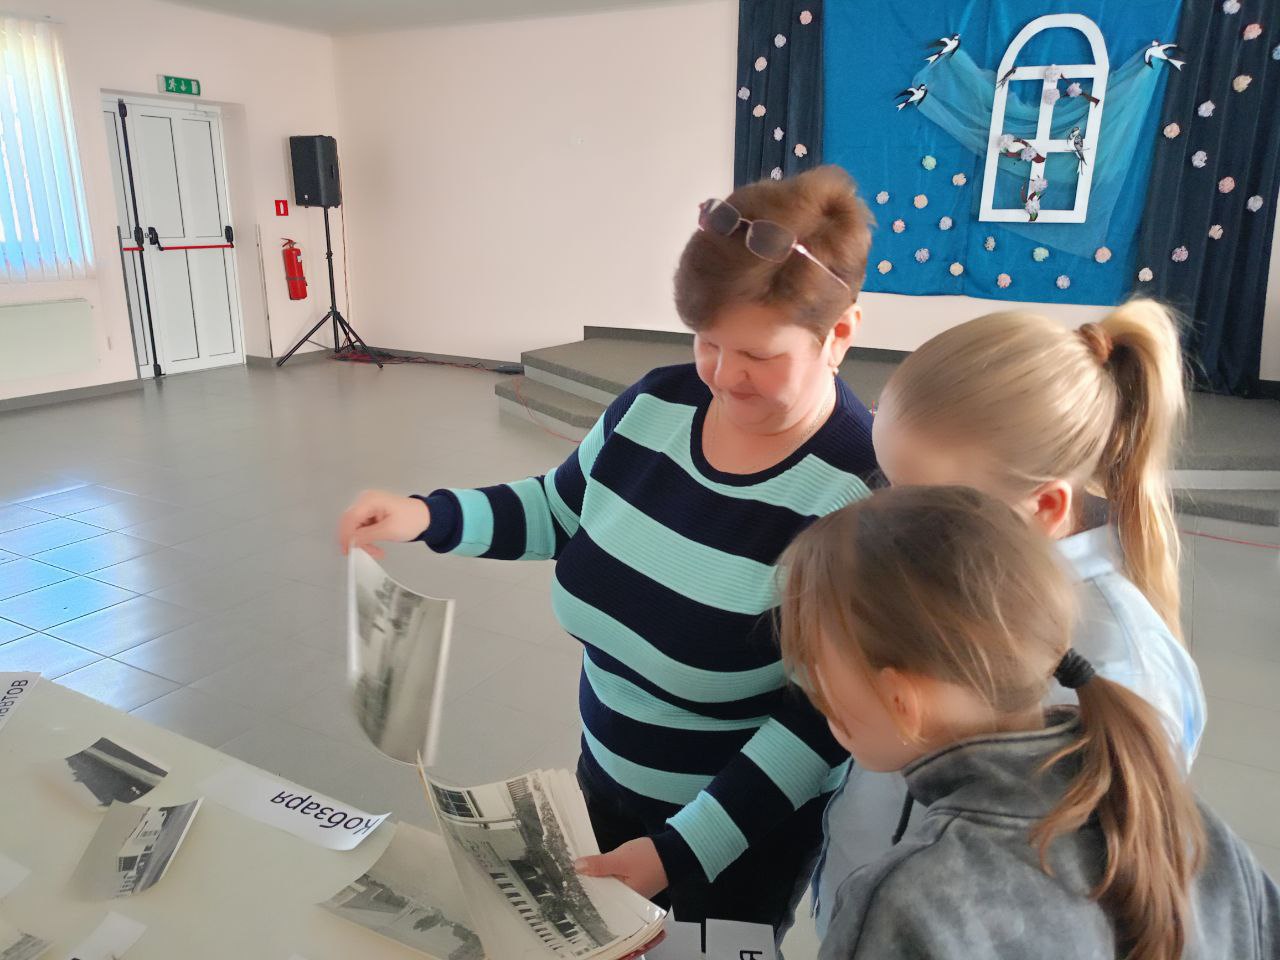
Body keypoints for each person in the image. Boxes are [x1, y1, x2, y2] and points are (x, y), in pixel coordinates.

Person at [337, 165, 880, 934]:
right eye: (708, 342)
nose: (724, 376)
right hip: (604, 784)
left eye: (759, 355)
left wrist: (679, 850)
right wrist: (427, 516)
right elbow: (561, 510)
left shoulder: (860, 492)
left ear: (840, 335)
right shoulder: (657, 402)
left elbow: (821, 721)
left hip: (738, 837)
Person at [811, 300, 1208, 935]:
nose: (892, 525)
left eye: (926, 508)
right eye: (888, 486)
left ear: (1043, 509)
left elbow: (1096, 902)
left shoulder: (1122, 667)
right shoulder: (956, 571)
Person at [780, 485, 1278, 960]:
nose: (811, 686)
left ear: (901, 701)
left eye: (814, 666)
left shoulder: (907, 900)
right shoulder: (1170, 810)